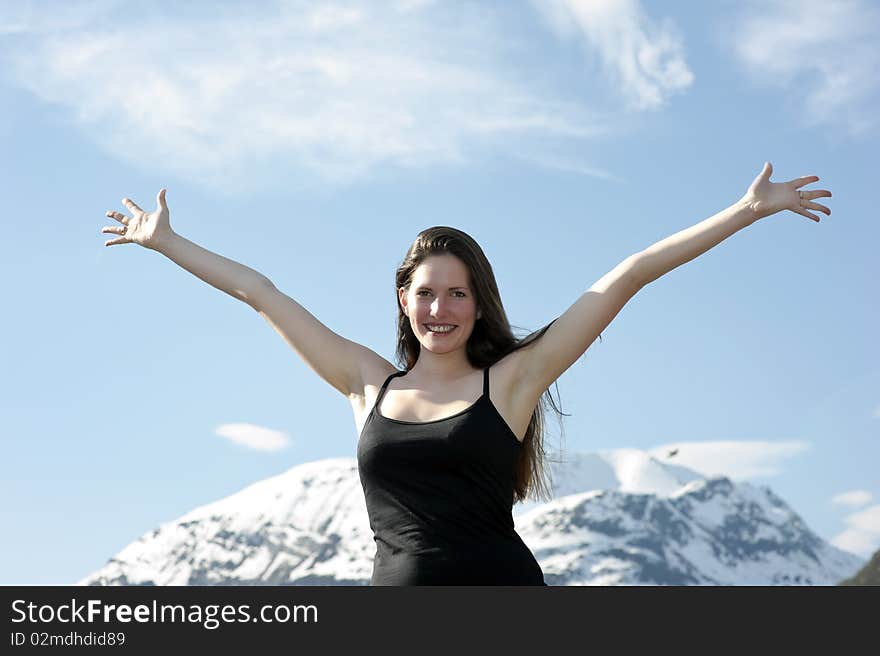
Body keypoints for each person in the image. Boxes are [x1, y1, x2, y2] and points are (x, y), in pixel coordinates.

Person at [101, 162, 832, 585]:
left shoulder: (512, 383)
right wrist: (169, 243)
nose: (440, 309)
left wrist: (745, 210)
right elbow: (260, 293)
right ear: (402, 298)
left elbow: (629, 276)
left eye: (457, 293)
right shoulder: (366, 383)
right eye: (425, 292)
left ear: (478, 303)